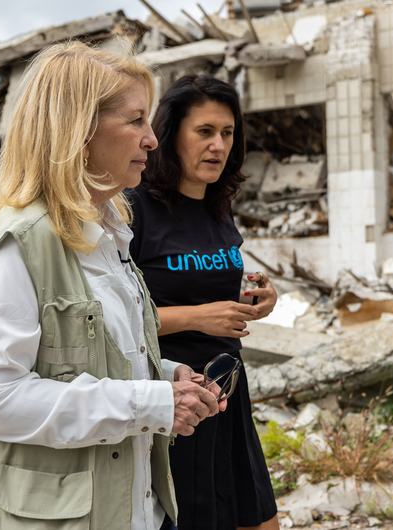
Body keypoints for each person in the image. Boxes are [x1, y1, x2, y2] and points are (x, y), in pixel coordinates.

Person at [0, 43, 225, 530]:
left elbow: (95, 358)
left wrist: (169, 378)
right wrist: (149, 403)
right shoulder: (20, 244)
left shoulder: (110, 237)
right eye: (135, 121)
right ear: (78, 130)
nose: (152, 140)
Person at [127, 74, 280, 530]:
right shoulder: (135, 210)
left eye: (227, 133)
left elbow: (209, 289)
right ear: (171, 136)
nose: (218, 145)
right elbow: (115, 321)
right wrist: (199, 318)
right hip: (175, 404)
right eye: (205, 132)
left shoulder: (218, 205)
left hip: (228, 396)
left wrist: (257, 298)